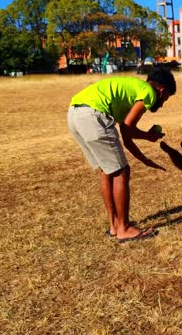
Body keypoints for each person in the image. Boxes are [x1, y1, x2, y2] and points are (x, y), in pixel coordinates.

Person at [67, 68, 176, 243]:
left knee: (108, 170)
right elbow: (126, 130)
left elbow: (127, 132)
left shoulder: (132, 90)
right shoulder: (149, 93)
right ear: (162, 90)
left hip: (75, 113)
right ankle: (124, 229)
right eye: (166, 98)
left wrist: (147, 143)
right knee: (120, 172)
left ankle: (115, 225)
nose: (162, 104)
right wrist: (146, 154)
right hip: (93, 115)